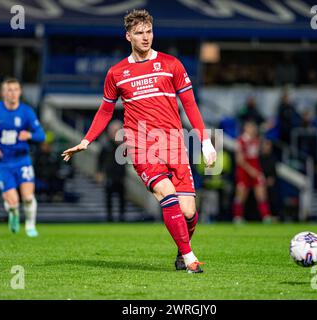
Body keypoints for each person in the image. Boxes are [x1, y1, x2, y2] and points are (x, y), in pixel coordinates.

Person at [62, 9, 216, 273]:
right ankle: (191, 259)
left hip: (174, 144)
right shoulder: (117, 73)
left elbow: (189, 104)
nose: (145, 38)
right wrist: (87, 140)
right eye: (139, 33)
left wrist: (205, 141)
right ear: (128, 36)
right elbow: (106, 110)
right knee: (166, 194)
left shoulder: (171, 65)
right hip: (142, 145)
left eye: (149, 32)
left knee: (189, 211)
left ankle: (181, 252)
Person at [0, 78, 46, 237]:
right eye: (9, 90)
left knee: (28, 197)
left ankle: (30, 225)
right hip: (2, 162)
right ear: (3, 93)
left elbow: (41, 135)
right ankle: (13, 213)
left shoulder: (27, 112)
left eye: (15, 90)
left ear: (20, 92)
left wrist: (30, 135)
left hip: (22, 160)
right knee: (12, 202)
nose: (12, 93)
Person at [233, 121, 272, 224]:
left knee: (261, 193)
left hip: (255, 170)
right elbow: (239, 160)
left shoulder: (256, 140)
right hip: (244, 171)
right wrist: (251, 171)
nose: (252, 129)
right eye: (250, 127)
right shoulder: (240, 141)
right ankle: (237, 217)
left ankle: (266, 216)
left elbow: (264, 151)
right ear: (245, 128)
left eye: (253, 127)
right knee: (241, 193)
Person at [96, 120, 127, 222]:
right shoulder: (106, 145)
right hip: (109, 175)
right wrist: (99, 172)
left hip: (121, 175)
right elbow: (100, 160)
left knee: (122, 197)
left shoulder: (123, 146)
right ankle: (109, 217)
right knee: (109, 197)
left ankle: (122, 217)